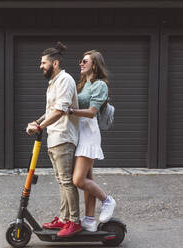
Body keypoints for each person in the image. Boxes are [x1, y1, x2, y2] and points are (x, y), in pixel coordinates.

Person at [26, 41, 82, 237]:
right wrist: (37, 122)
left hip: (64, 136)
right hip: (54, 137)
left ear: (55, 63)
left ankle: (74, 222)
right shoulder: (53, 83)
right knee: (61, 181)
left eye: (43, 63)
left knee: (67, 181)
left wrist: (40, 126)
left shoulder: (65, 80)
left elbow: (60, 111)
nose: (41, 66)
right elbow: (50, 111)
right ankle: (64, 218)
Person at [67, 50, 116, 232]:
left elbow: (92, 112)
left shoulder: (100, 85)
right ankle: (89, 219)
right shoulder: (83, 85)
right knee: (88, 178)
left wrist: (70, 111)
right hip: (80, 133)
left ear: (94, 65)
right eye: (81, 61)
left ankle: (107, 200)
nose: (81, 63)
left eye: (85, 61)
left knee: (78, 180)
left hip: (89, 133)